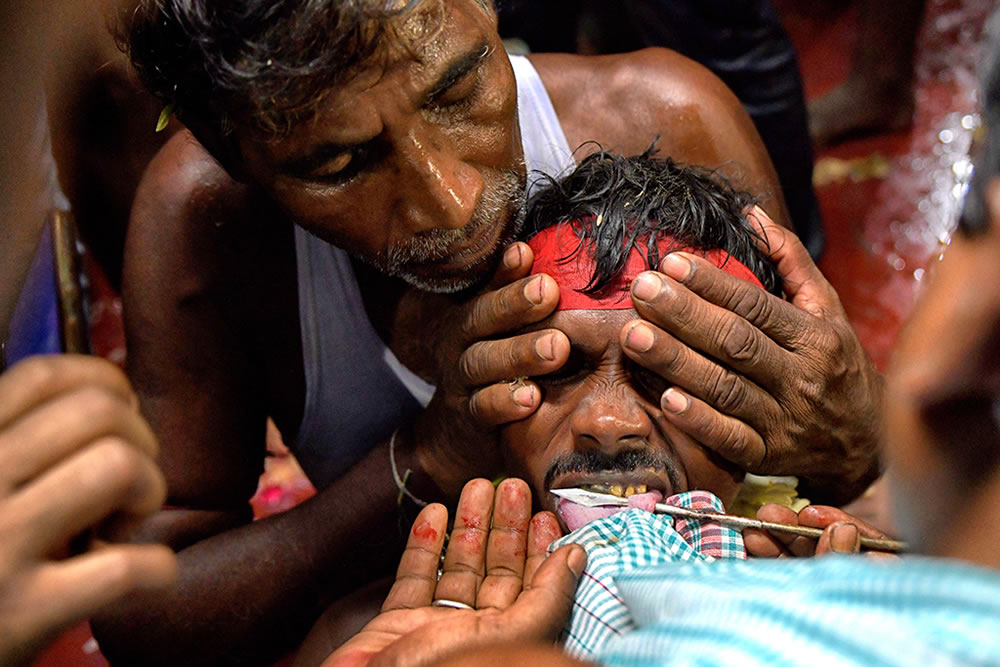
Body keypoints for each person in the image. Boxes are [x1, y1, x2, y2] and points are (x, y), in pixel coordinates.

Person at [94, 0, 883, 662]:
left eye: (458, 85)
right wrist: (428, 457)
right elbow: (145, 617)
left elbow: (819, 465)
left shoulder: (667, 121)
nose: (454, 201)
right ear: (238, 156)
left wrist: (855, 437)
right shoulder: (207, 226)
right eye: (339, 163)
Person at [328, 11, 1000, 664]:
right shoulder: (390, 635)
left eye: (669, 375)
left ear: (756, 393)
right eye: (559, 367)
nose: (609, 425)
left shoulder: (860, 598)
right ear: (494, 391)